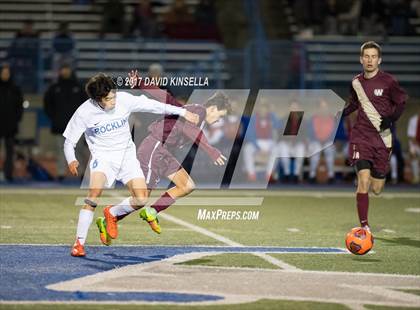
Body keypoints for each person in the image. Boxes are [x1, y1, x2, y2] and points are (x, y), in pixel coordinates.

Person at [63, 73, 199, 257]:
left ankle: (111, 212)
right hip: (103, 158)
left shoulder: (123, 100)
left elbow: (153, 106)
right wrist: (71, 158)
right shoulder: (84, 112)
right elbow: (69, 142)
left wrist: (183, 111)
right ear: (97, 99)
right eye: (109, 98)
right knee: (94, 193)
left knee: (142, 200)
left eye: (114, 95)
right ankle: (79, 243)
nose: (113, 100)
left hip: (127, 156)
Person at [95, 80, 229, 239]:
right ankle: (110, 213)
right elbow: (189, 129)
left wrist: (141, 83)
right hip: (155, 148)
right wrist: (211, 151)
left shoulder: (194, 111)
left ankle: (150, 212)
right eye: (220, 116)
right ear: (213, 108)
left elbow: (166, 98)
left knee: (187, 186)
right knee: (140, 198)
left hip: (164, 152)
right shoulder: (199, 112)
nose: (219, 120)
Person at [342, 41, 407, 231]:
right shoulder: (355, 82)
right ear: (361, 59)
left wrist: (391, 119)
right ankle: (364, 226)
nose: (370, 60)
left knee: (376, 188)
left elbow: (402, 102)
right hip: (360, 136)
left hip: (382, 139)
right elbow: (356, 103)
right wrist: (343, 112)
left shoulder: (389, 82)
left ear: (379, 60)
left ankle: (378, 178)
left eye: (373, 57)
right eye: (366, 57)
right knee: (363, 179)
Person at [44, 64, 87, 180]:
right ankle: (61, 173)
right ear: (60, 71)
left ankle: (81, 172)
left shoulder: (79, 87)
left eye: (67, 69)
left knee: (79, 150)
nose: (65, 72)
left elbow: (87, 105)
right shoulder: (54, 88)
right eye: (63, 69)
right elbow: (47, 104)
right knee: (60, 150)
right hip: (60, 126)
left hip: (77, 126)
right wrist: (54, 117)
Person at [0, 64, 23, 182]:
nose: (5, 75)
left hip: (10, 125)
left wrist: (16, 119)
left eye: (7, 73)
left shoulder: (15, 89)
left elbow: (19, 106)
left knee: (10, 151)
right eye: (3, 73)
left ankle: (8, 174)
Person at [407, 112, 420, 184]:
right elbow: (411, 136)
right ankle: (416, 177)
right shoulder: (413, 120)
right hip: (415, 144)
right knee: (413, 153)